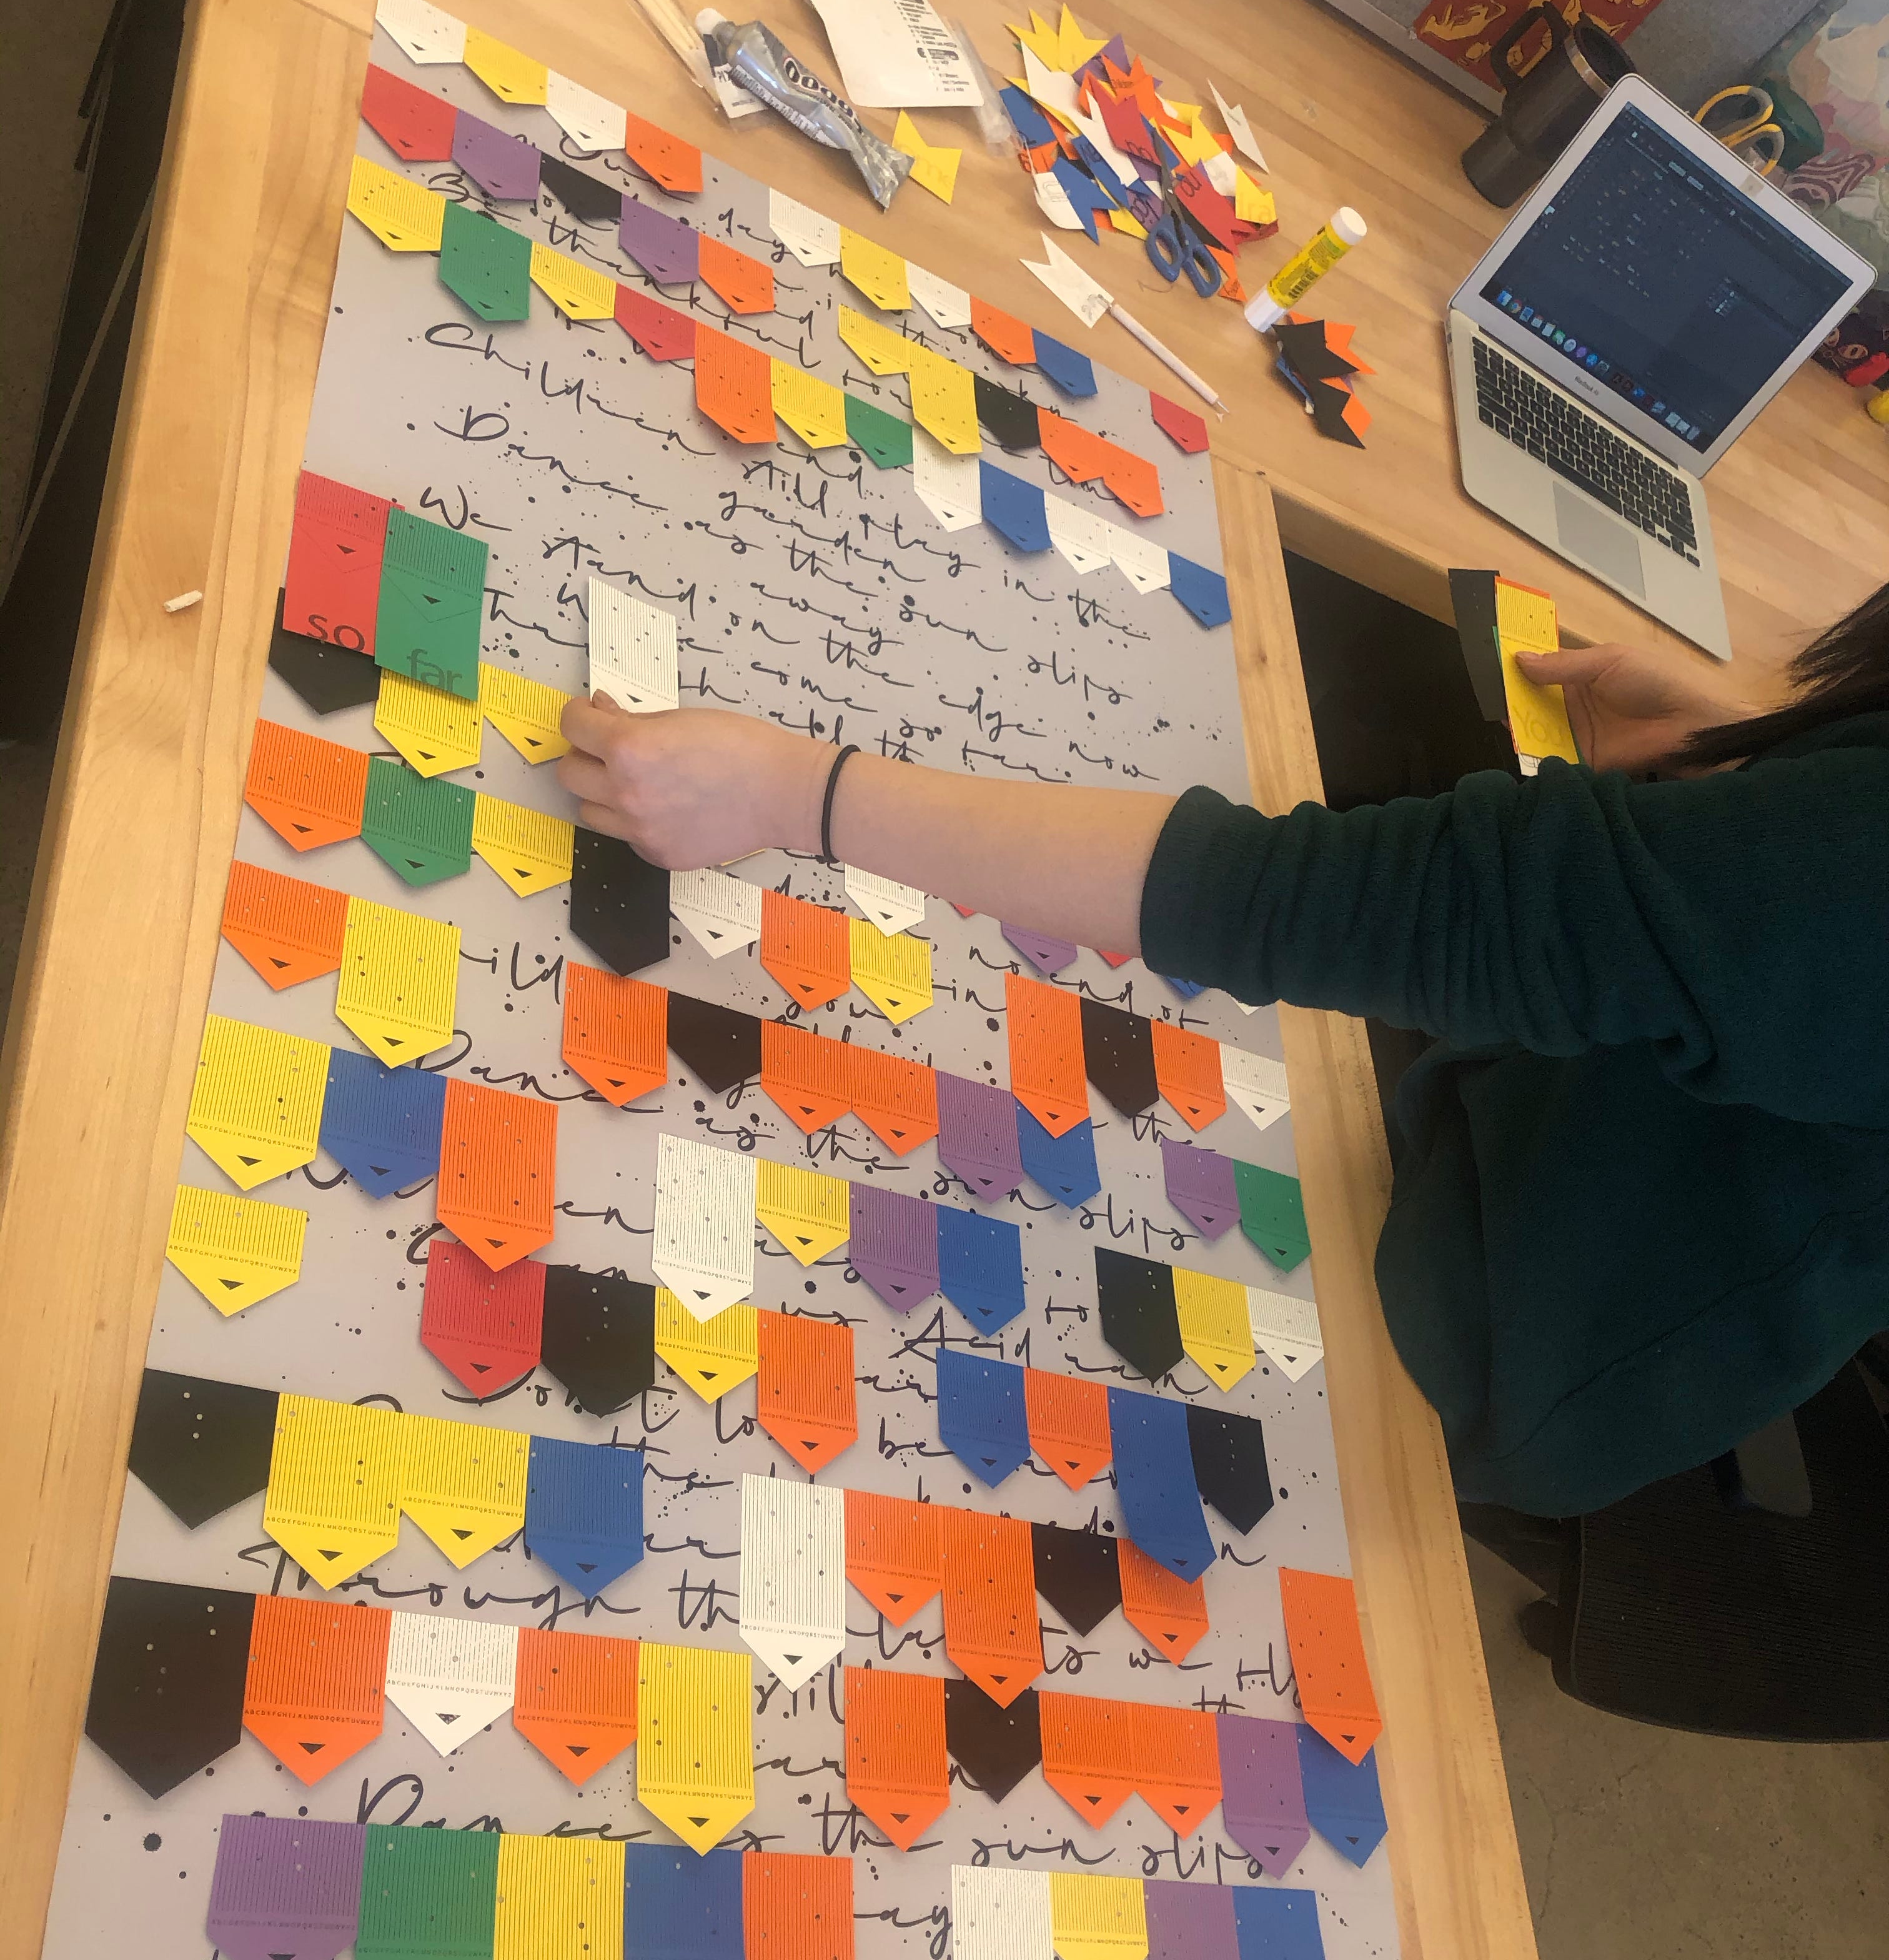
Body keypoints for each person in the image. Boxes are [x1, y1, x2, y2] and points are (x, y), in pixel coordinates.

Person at [559, 589, 1889, 1517]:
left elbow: (1310, 899)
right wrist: (1764, 777)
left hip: (1514, 1326)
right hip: (1492, 1129)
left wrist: (793, 792)